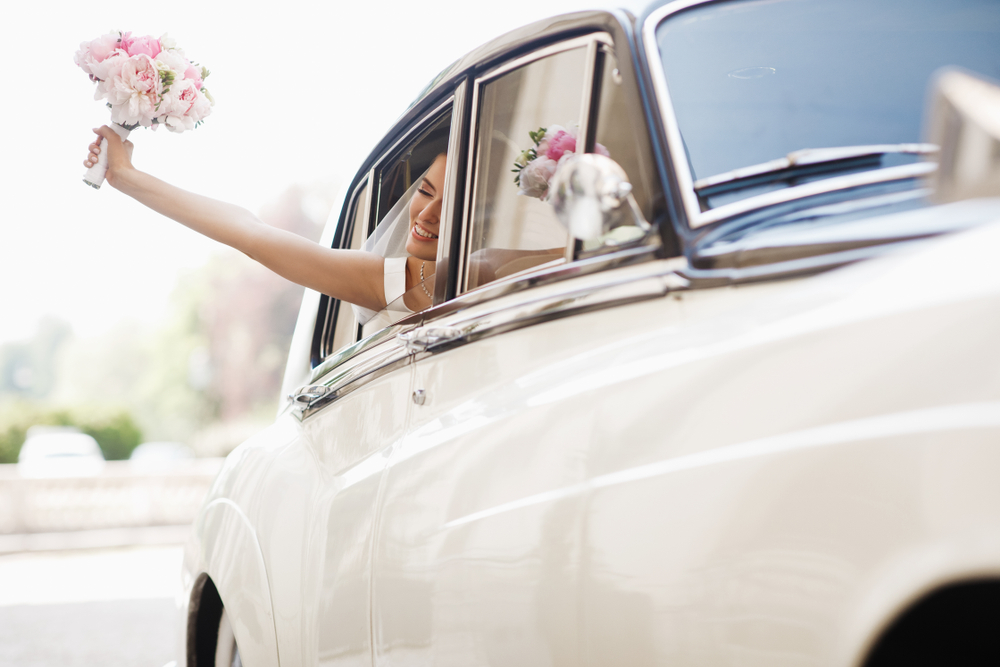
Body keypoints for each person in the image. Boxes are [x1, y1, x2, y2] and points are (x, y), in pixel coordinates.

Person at [83, 126, 443, 323]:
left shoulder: (494, 271)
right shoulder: (390, 280)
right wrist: (129, 178)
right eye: (425, 192)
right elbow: (250, 234)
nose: (427, 214)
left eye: (451, 205)